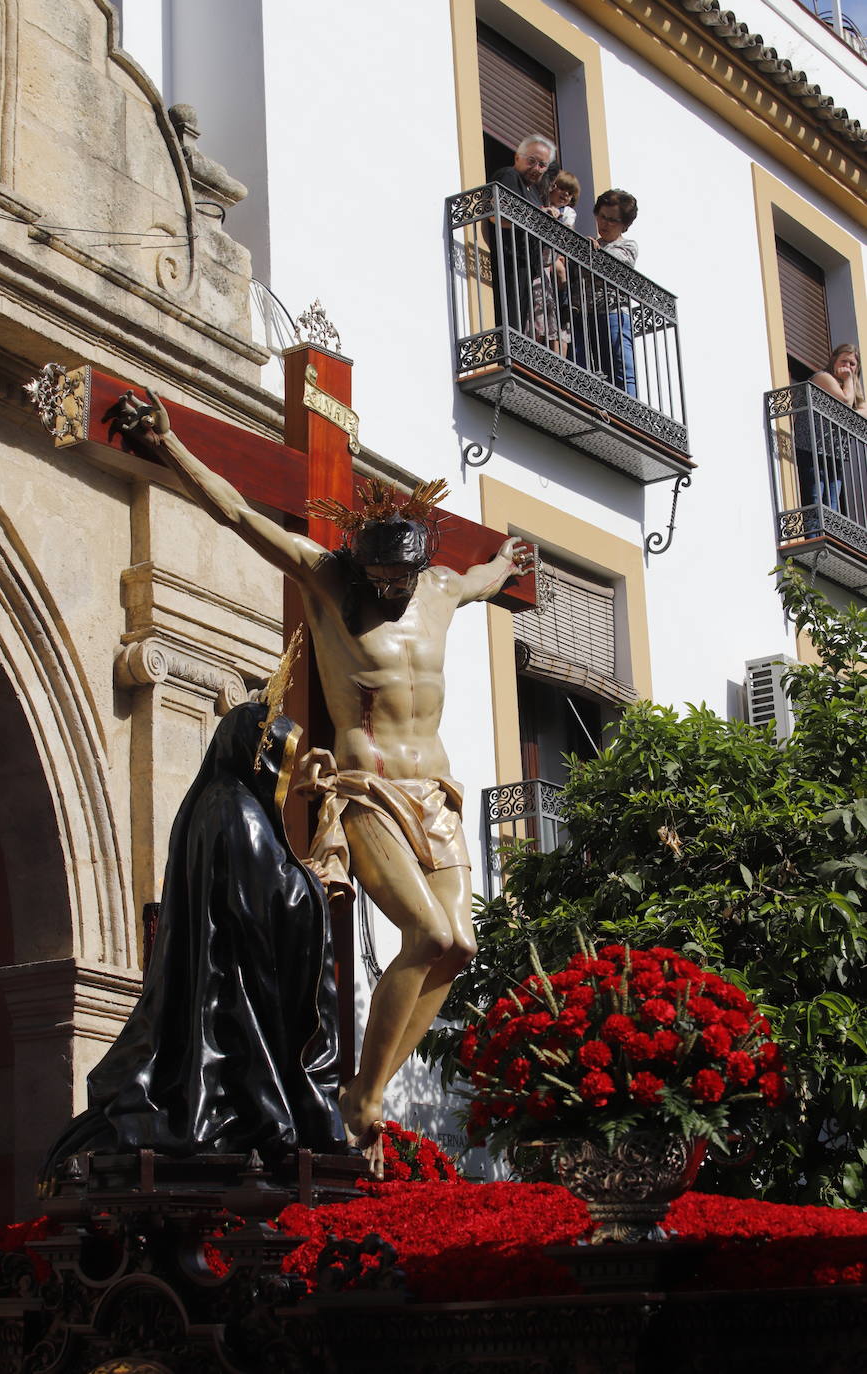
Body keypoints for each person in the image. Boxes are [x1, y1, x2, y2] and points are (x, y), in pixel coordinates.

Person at [110, 390, 533, 1171]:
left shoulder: (442, 589)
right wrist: (168, 446)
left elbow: (484, 575)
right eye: (379, 576)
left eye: (400, 577)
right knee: (430, 935)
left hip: (436, 793)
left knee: (462, 947)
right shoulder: (328, 582)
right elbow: (237, 513)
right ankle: (361, 1100)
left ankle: (367, 1091)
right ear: (360, 563)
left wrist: (509, 561)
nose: (390, 589)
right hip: (369, 790)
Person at [39, 691, 349, 1188]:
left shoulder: (210, 802)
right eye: (281, 762)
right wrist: (313, 881)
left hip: (214, 976)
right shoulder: (240, 812)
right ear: (258, 756)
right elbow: (262, 910)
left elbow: (256, 888)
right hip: (232, 991)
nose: (284, 779)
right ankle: (266, 1122)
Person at [489, 135, 556, 335]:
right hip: (509, 260)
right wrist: (538, 215)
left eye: (542, 165)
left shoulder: (534, 192)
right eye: (531, 161)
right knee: (509, 319)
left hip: (525, 264)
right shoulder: (509, 175)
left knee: (517, 323)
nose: (536, 168)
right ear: (518, 157)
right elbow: (496, 215)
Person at [576, 189, 639, 397]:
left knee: (621, 369)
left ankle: (628, 410)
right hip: (587, 315)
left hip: (612, 314)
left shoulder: (627, 246)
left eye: (612, 220)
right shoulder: (594, 244)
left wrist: (591, 253)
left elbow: (610, 266)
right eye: (602, 216)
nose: (605, 223)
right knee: (590, 367)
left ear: (625, 225)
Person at [796, 344, 867, 511]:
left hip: (834, 455)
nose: (847, 367)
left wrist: (852, 405)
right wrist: (848, 380)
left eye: (852, 364)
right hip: (810, 449)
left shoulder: (853, 391)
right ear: (834, 361)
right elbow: (845, 402)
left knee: (832, 507)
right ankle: (814, 529)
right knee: (816, 500)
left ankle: (824, 530)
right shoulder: (823, 377)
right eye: (844, 361)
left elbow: (864, 412)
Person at [532, 169, 581, 355]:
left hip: (556, 254)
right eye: (562, 188)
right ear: (551, 187)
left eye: (570, 193)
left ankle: (566, 303)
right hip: (544, 258)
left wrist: (557, 217)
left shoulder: (567, 212)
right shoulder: (540, 204)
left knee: (560, 271)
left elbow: (567, 231)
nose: (565, 194)